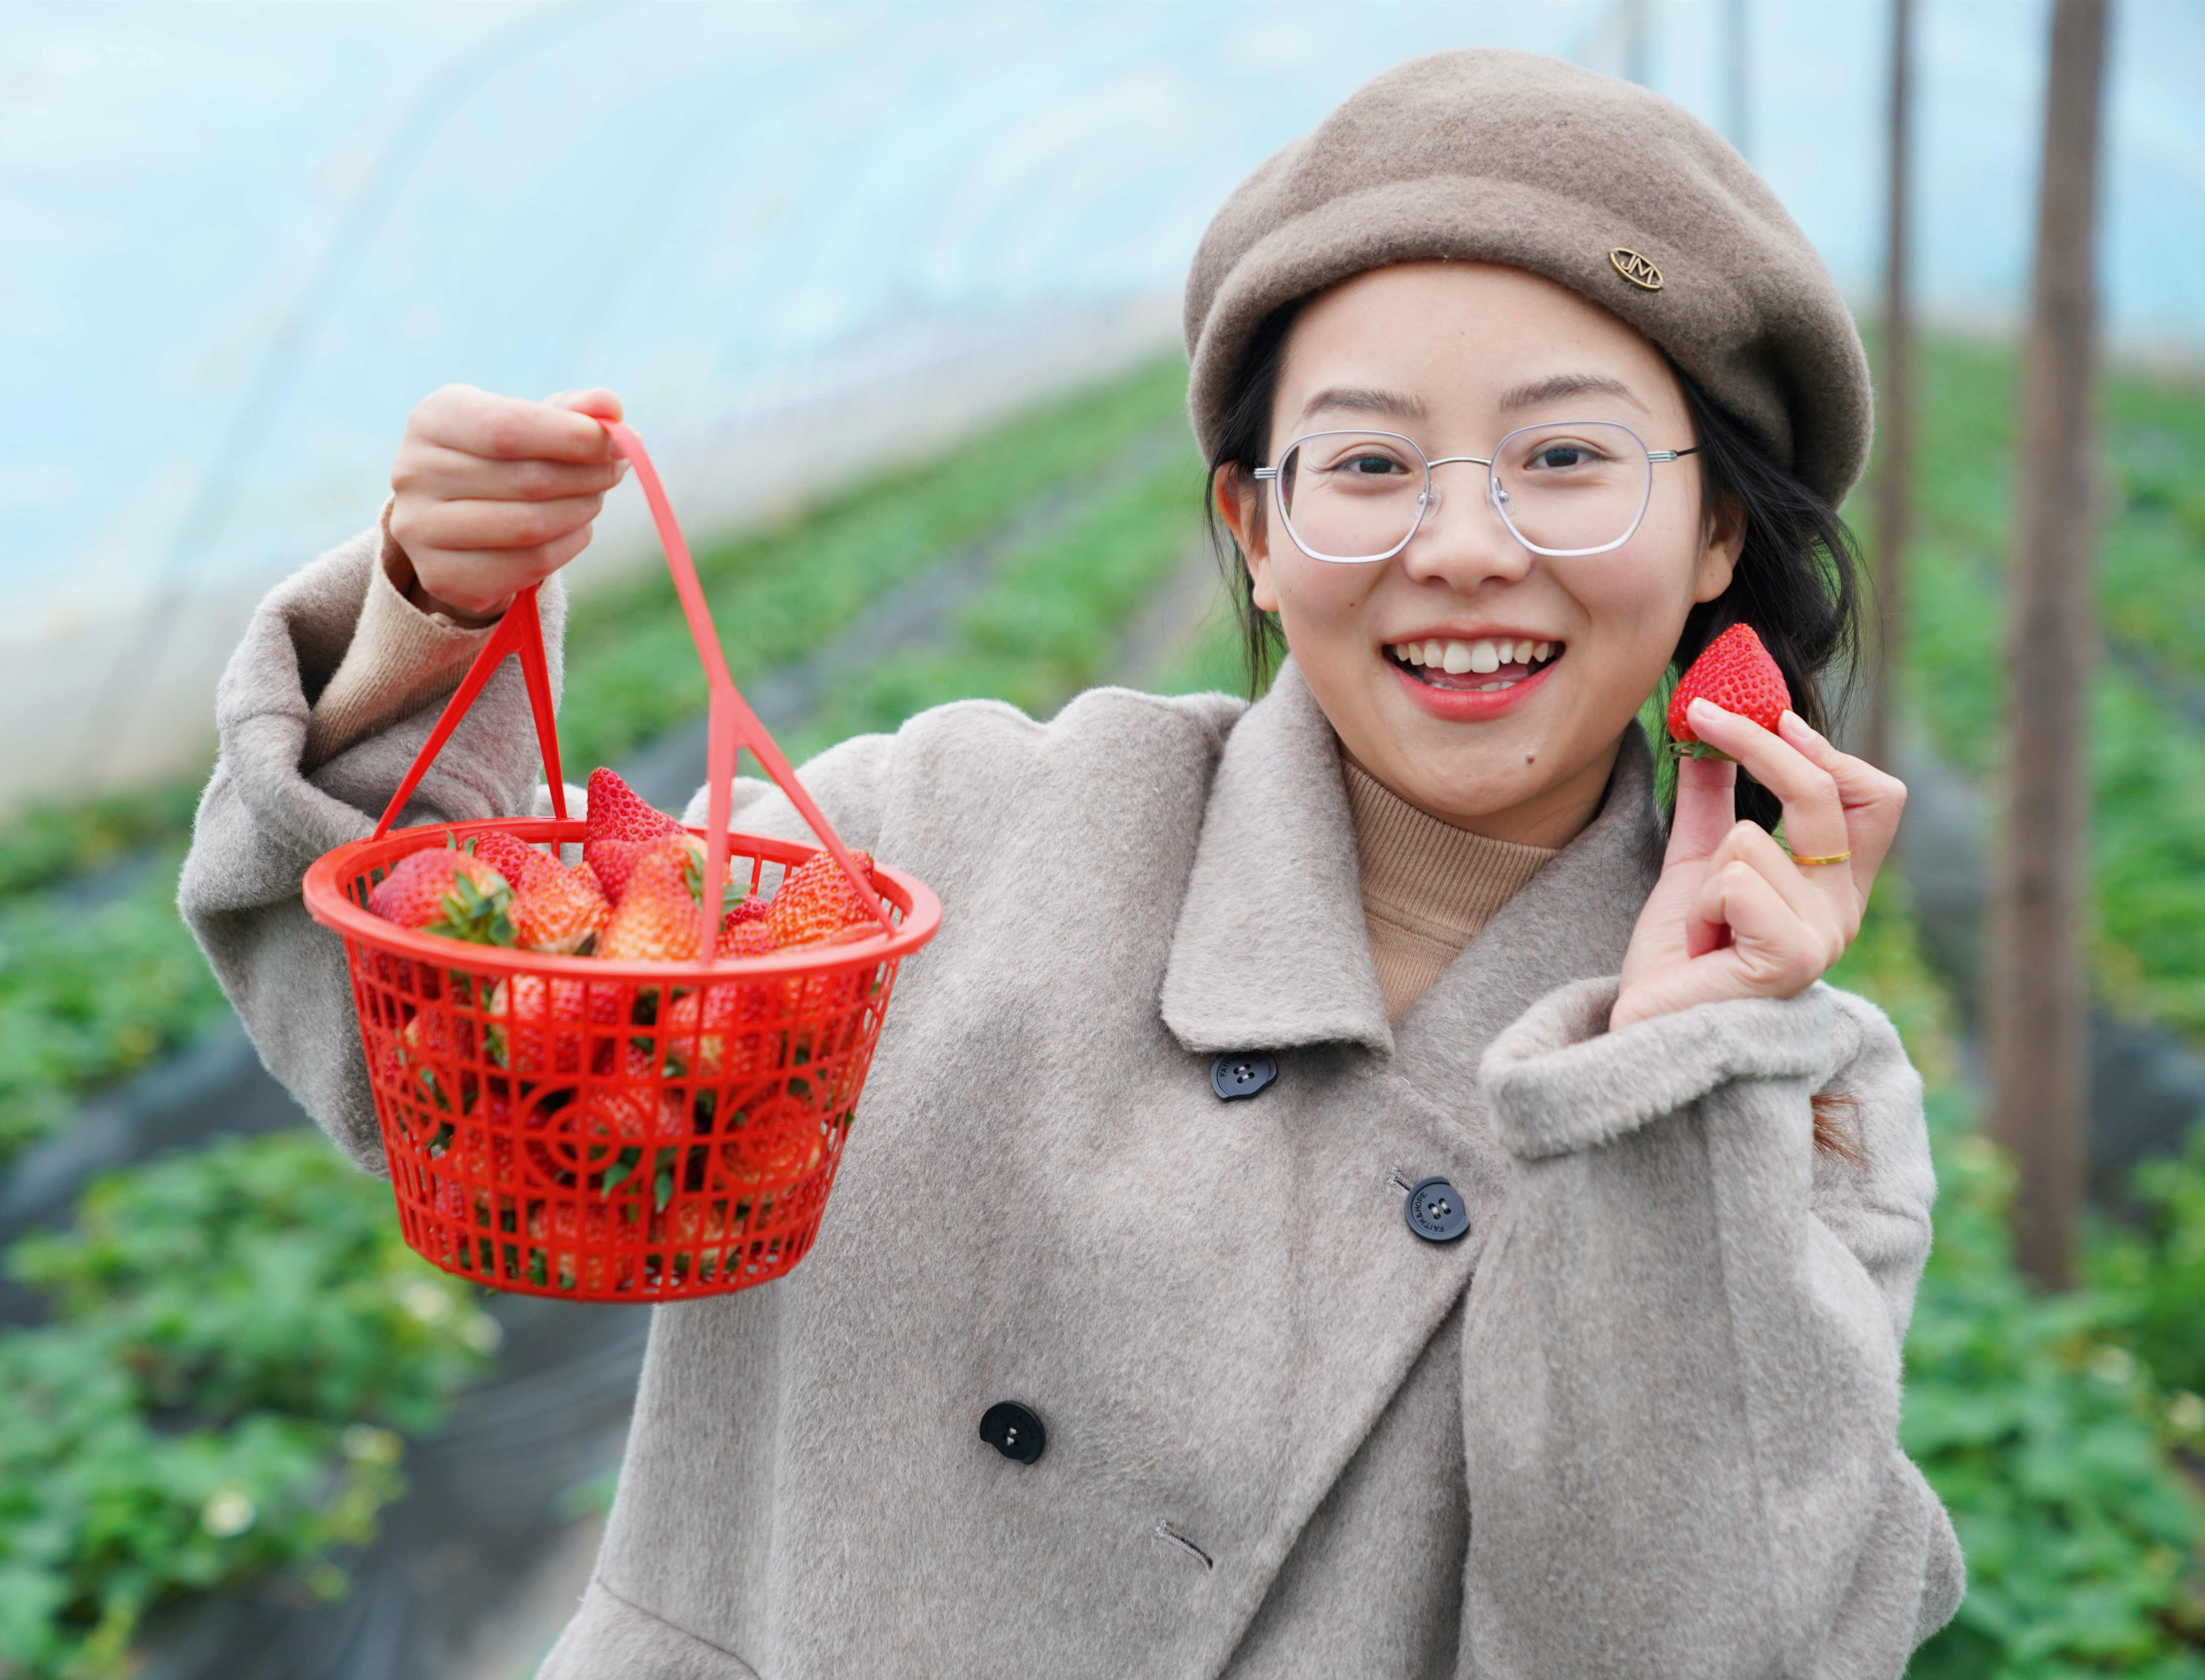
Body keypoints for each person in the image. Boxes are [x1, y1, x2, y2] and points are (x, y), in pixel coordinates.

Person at [181, 47, 1961, 1678]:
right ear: (1255, 533)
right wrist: (436, 619)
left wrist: (1666, 1071)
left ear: (1718, 525)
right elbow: (463, 1057)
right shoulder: (941, 839)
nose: (1467, 547)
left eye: (1568, 457)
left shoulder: (1795, 1116)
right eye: (1368, 462)